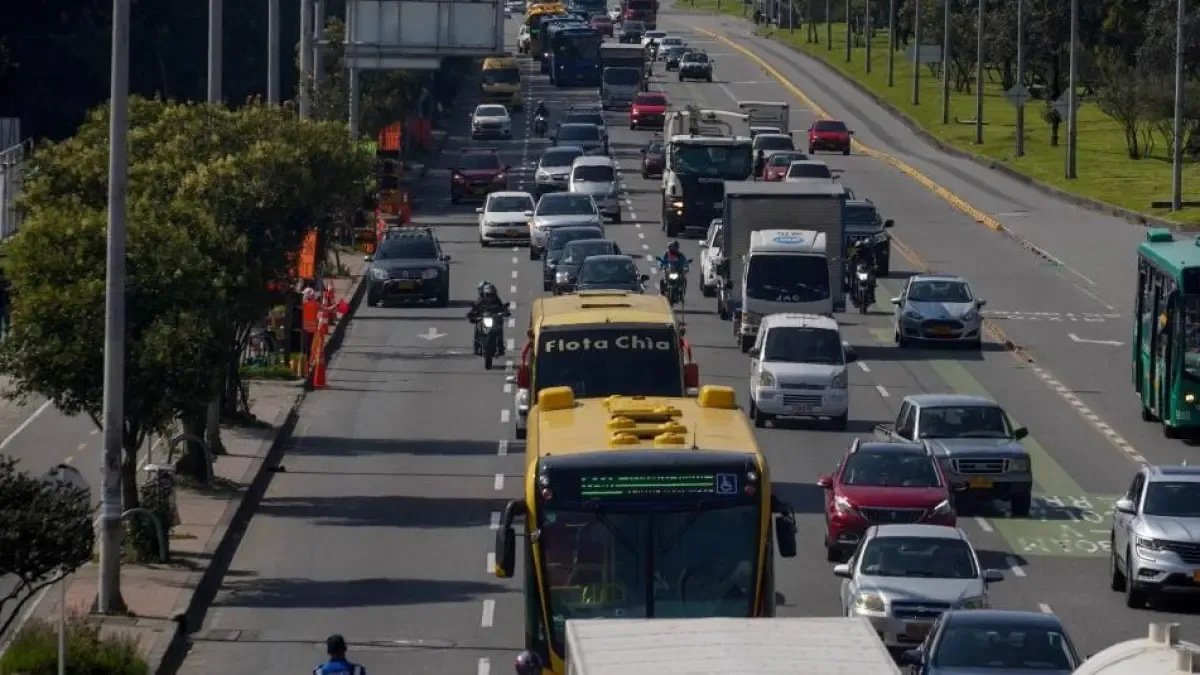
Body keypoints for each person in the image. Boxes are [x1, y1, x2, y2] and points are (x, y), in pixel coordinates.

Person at [468, 281, 509, 355]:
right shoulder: (480, 301)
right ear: (484, 294)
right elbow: (474, 309)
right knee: (477, 326)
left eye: (491, 294)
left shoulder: (497, 300)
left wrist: (505, 312)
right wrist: (472, 314)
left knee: (499, 328)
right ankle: (476, 346)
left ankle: (500, 346)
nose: (490, 297)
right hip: (484, 319)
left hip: (494, 320)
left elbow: (503, 308)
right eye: (488, 295)